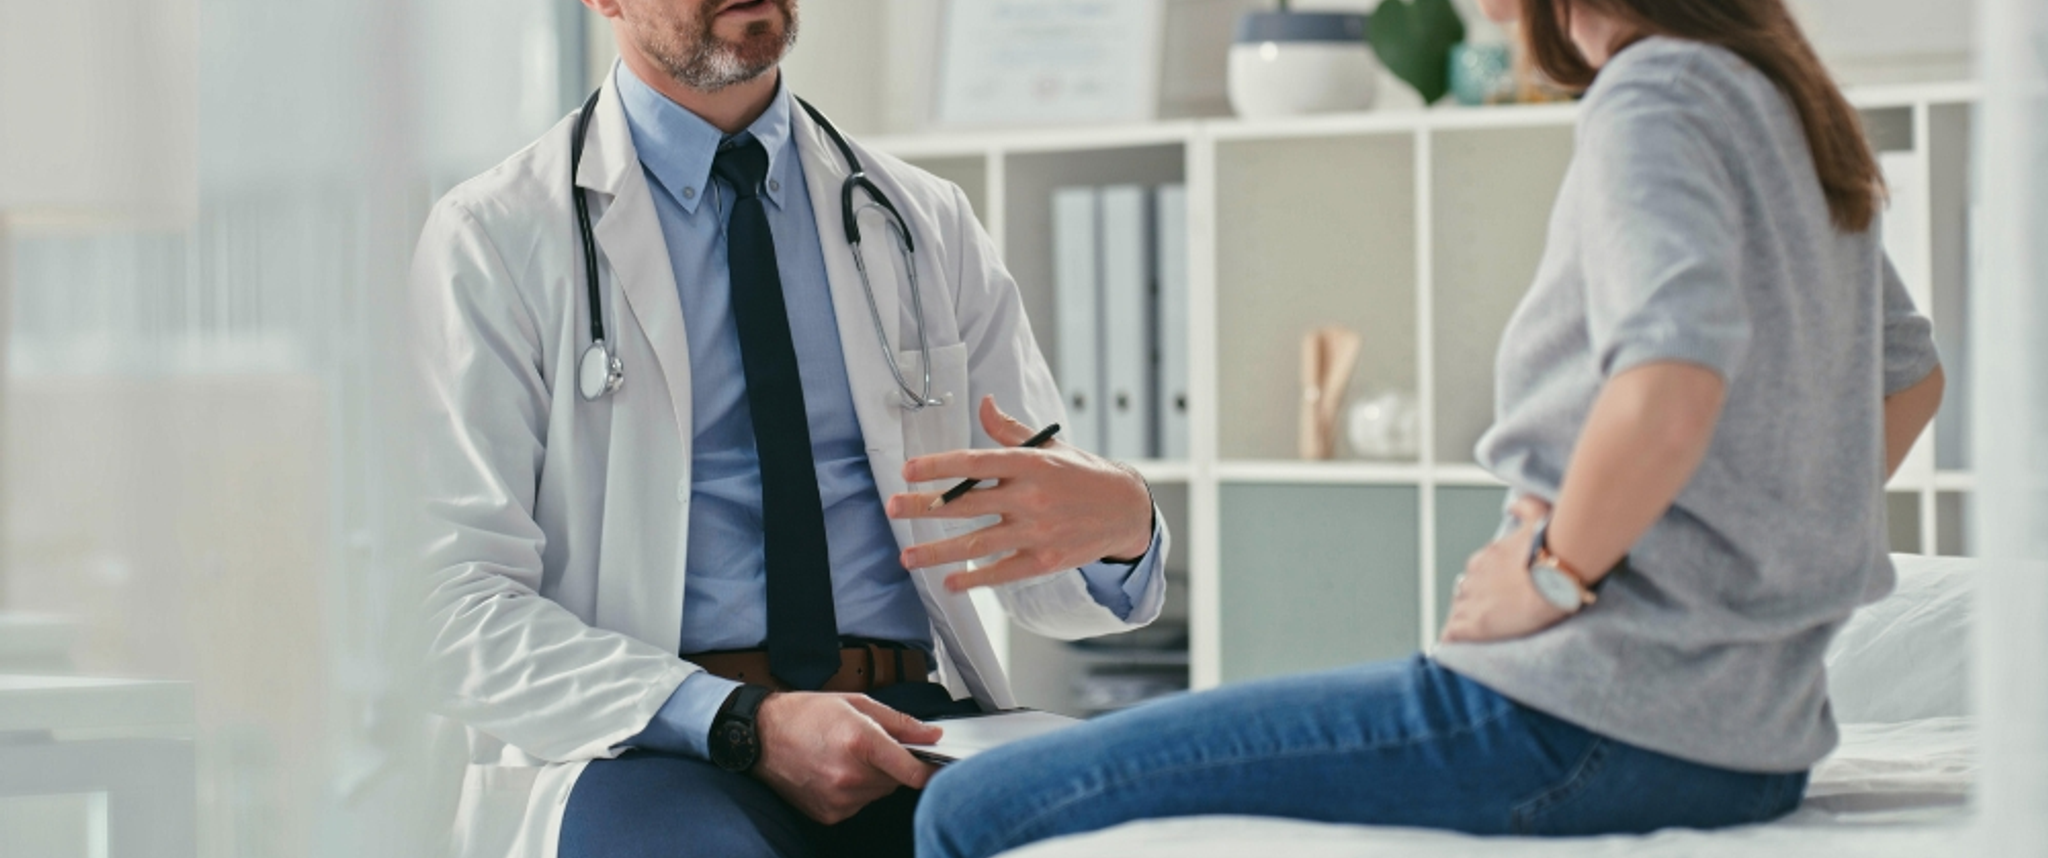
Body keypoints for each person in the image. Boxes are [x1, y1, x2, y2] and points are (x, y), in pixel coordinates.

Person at [914, 0, 1945, 855]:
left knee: (972, 807)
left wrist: (1551, 574)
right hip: (1754, 743)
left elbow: (1668, 384)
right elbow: (1910, 380)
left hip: (1590, 718)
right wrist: (1750, 563)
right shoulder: (1778, 101)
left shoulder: (1655, 94)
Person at [410, 1, 1171, 856]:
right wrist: (740, 721)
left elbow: (1042, 580)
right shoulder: (495, 237)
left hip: (911, 725)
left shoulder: (923, 219)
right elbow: (451, 606)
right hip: (649, 737)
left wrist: (1123, 529)